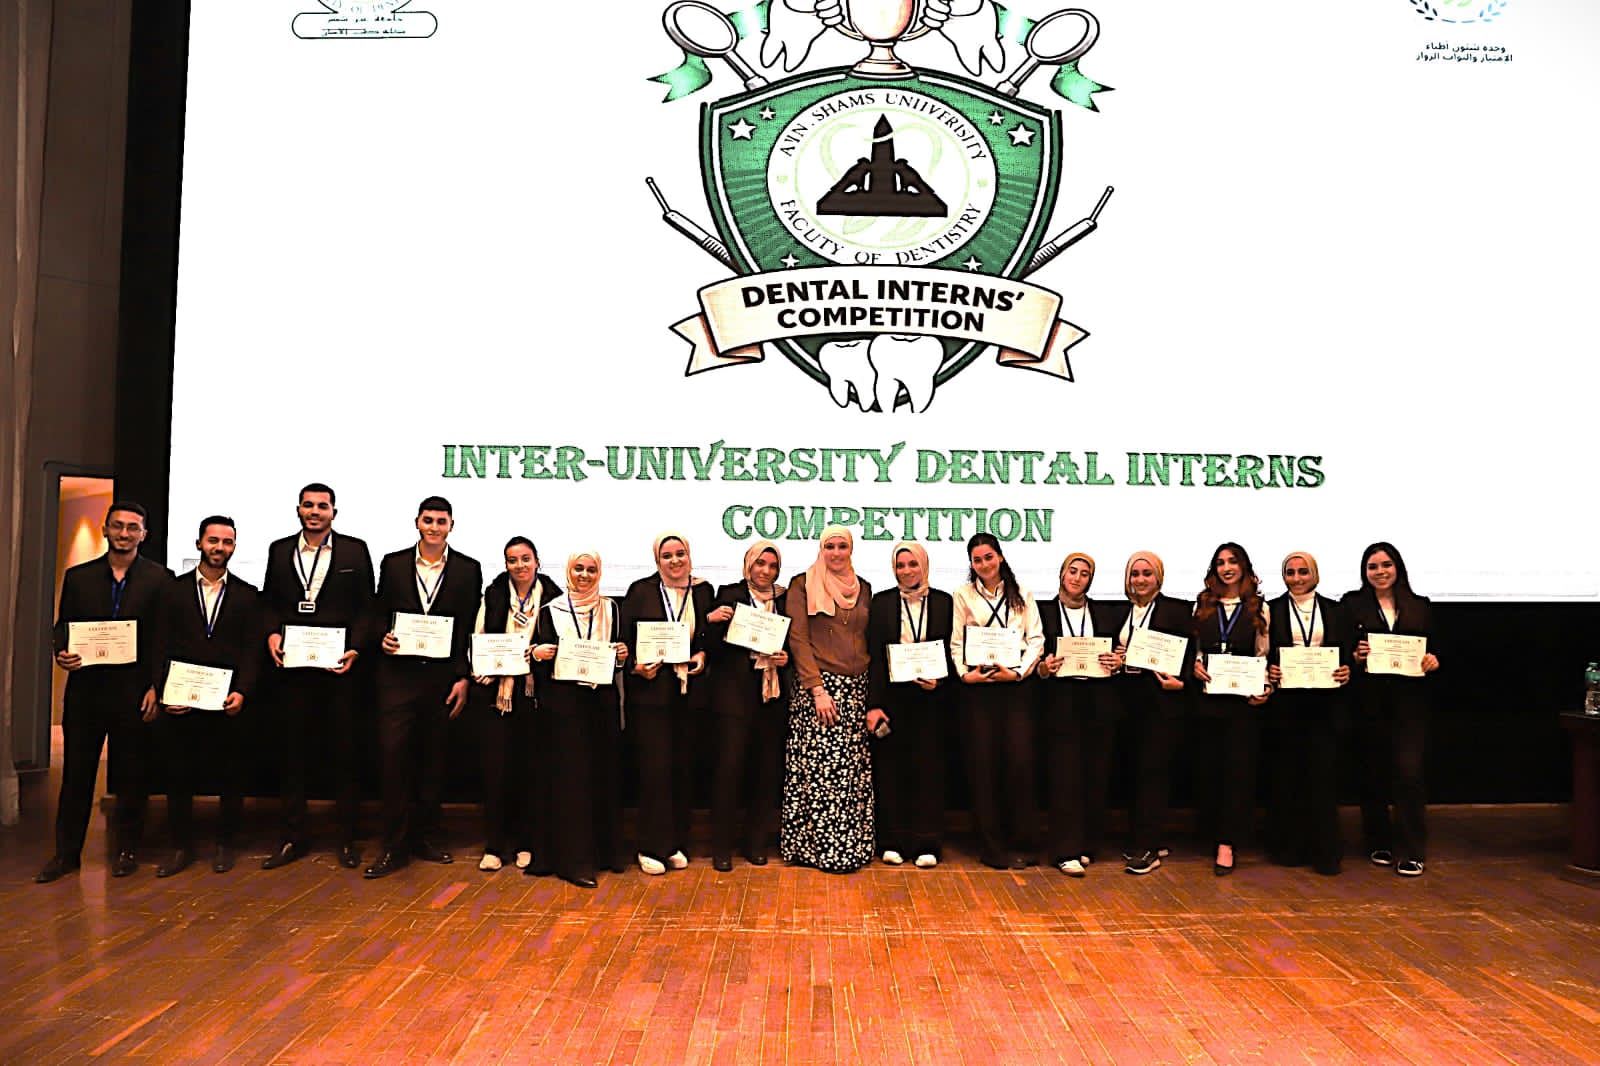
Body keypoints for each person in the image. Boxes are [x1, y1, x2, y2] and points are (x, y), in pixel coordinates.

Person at [37, 501, 172, 883]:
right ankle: (66, 855)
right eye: (118, 526)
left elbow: (163, 637)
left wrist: (156, 686)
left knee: (131, 776)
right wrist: (61, 651)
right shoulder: (79, 577)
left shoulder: (160, 579)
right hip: (87, 692)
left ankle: (127, 851)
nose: (124, 533)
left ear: (143, 534)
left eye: (132, 527)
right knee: (76, 776)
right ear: (106, 529)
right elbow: (64, 626)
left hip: (134, 691)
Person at [365, 496, 483, 879]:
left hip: (441, 678)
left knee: (433, 761)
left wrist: (463, 676)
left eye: (441, 521)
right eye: (428, 520)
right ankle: (393, 845)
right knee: (393, 760)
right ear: (417, 522)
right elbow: (378, 613)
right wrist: (382, 636)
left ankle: (427, 838)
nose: (434, 527)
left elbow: (468, 627)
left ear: (451, 525)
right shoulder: (393, 563)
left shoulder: (468, 569)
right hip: (397, 677)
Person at [260, 482, 376, 871]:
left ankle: (346, 839)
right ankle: (293, 837)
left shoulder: (355, 551)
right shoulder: (279, 550)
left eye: (322, 506)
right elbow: (270, 602)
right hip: (294, 671)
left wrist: (355, 647)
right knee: (293, 755)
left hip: (339, 670)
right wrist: (272, 633)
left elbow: (367, 608)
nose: (315, 511)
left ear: (333, 513)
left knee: (345, 755)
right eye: (308, 505)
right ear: (298, 510)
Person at [145, 516, 265, 876]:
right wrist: (162, 690)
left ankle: (225, 844)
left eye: (227, 542)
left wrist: (243, 691)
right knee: (179, 775)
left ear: (234, 547)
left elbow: (252, 650)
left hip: (226, 703)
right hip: (181, 701)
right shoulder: (172, 590)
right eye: (213, 540)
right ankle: (181, 846)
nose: (219, 548)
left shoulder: (248, 595)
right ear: (199, 543)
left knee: (231, 776)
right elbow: (159, 643)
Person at [529, 550, 630, 888]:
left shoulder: (612, 609)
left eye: (591, 569)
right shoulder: (550, 610)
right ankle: (573, 861)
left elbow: (619, 659)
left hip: (601, 704)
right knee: (571, 782)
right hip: (565, 707)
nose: (584, 575)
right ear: (568, 572)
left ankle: (605, 854)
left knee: (603, 776)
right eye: (578, 569)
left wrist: (621, 656)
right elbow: (538, 660)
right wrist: (538, 654)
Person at [1342, 542, 1441, 877]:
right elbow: (1341, 650)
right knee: (1373, 773)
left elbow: (1437, 648)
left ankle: (1413, 850)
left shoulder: (1420, 605)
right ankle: (1378, 841)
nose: (1380, 572)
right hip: (1369, 702)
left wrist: (1433, 660)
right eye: (1372, 567)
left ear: (1397, 567)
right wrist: (1354, 656)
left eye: (1386, 565)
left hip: (1410, 703)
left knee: (1409, 774)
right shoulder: (1352, 605)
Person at [620, 532, 716, 874]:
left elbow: (706, 637)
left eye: (680, 554)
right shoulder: (640, 591)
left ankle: (675, 842)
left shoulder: (703, 591)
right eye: (667, 556)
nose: (675, 561)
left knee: (682, 770)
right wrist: (635, 667)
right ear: (657, 560)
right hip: (650, 697)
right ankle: (650, 846)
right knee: (654, 772)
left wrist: (703, 655)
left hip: (689, 696)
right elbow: (624, 640)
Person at [781, 525, 875, 873]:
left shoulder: (863, 587)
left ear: (851, 549)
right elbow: (798, 639)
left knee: (850, 773)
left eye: (842, 546)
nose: (836, 553)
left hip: (856, 689)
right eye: (830, 546)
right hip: (820, 689)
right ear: (821, 549)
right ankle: (821, 851)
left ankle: (853, 847)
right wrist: (817, 689)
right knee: (821, 773)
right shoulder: (802, 585)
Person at [951, 532, 1045, 869]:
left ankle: (1023, 844)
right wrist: (966, 675)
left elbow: (1036, 640)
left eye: (989, 557)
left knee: (1019, 766)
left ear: (1000, 557)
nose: (984, 564)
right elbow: (956, 643)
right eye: (977, 560)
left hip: (1015, 689)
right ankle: (992, 847)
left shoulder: (1023, 594)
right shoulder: (962, 595)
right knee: (984, 769)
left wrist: (1018, 672)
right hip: (979, 690)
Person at [470, 536, 562, 872]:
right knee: (496, 772)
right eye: (513, 560)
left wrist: (541, 653)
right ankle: (495, 846)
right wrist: (480, 666)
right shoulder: (494, 594)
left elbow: (562, 644)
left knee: (531, 773)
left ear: (537, 561)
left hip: (534, 696)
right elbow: (479, 636)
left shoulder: (554, 598)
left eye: (525, 559)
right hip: (497, 697)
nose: (520, 565)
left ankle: (526, 842)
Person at [865, 541, 954, 869]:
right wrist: (873, 704)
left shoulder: (944, 602)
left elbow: (953, 649)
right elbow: (874, 656)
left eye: (912, 564)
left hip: (931, 699)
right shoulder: (882, 602)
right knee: (891, 771)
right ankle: (891, 841)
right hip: (892, 699)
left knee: (929, 771)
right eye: (900, 565)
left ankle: (927, 843)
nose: (906, 571)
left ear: (924, 566)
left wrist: (939, 681)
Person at [1034, 552, 1123, 877]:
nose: (1077, 578)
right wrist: (1043, 667)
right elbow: (1033, 657)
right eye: (1072, 571)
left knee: (1095, 775)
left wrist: (1118, 663)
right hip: (1060, 703)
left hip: (1098, 702)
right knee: (1064, 778)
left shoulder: (1105, 613)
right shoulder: (1041, 612)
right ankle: (1064, 850)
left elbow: (1119, 653)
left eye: (1085, 573)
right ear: (1062, 574)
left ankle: (1086, 844)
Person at [1264, 551, 1352, 876]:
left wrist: (1347, 670)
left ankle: (1326, 852)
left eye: (1303, 571)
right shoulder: (1270, 609)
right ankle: (1290, 848)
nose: (1297, 578)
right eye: (1290, 572)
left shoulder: (1336, 610)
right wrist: (1269, 669)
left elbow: (1347, 653)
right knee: (1288, 777)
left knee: (1323, 778)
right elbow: (1261, 652)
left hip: (1324, 705)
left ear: (1315, 574)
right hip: (1286, 705)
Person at [705, 540, 790, 871]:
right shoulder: (729, 594)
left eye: (772, 566)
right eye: (760, 564)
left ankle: (756, 843)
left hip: (771, 697)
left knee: (765, 773)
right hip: (734, 696)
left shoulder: (784, 600)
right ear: (748, 565)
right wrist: (713, 622)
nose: (765, 571)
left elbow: (794, 644)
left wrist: (786, 659)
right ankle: (722, 848)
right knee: (729, 771)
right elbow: (712, 649)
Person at [1189, 542, 1272, 876]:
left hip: (1242, 703)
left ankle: (1228, 842)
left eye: (1233, 562)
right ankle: (1212, 833)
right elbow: (1195, 649)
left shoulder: (1260, 608)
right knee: (1210, 770)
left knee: (1238, 772)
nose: (1227, 568)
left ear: (1244, 567)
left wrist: (1265, 686)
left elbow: (1263, 653)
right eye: (1220, 563)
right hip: (1209, 699)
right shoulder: (1202, 605)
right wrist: (1195, 665)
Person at [1109, 551, 1193, 875]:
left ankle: (1148, 848)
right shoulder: (1122, 611)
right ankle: (1143, 838)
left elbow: (1190, 653)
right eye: (1135, 574)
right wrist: (1116, 659)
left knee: (1153, 774)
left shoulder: (1177, 610)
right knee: (1134, 773)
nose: (1140, 580)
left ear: (1159, 576)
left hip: (1161, 704)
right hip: (1127, 704)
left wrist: (1182, 681)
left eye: (1147, 573)